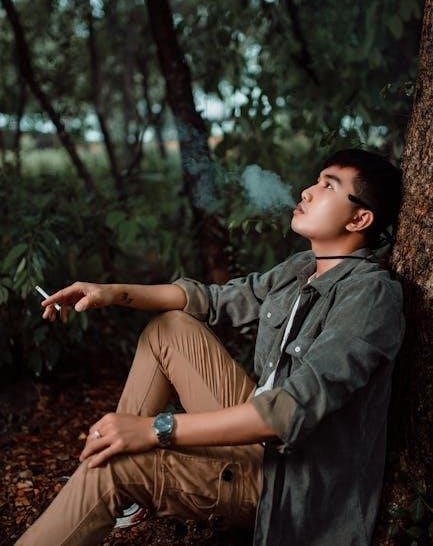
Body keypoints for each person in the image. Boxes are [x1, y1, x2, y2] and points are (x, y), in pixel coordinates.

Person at [17, 148, 405, 546]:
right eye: (316, 180)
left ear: (359, 219)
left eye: (328, 186)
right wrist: (110, 292)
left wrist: (155, 429)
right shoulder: (302, 267)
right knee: (169, 327)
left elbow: (287, 412)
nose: (307, 191)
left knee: (114, 466)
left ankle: (116, 462)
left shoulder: (370, 296)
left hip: (288, 483)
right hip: (260, 443)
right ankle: (117, 454)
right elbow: (213, 300)